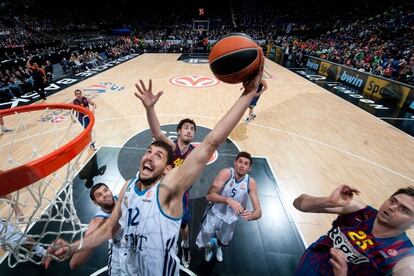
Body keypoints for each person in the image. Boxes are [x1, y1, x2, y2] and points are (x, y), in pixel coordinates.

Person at [44, 55, 264, 275]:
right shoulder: (128, 187)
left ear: (169, 169)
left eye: (158, 155)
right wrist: (73, 247)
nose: (149, 156)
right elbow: (110, 228)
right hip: (127, 271)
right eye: (148, 151)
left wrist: (249, 93)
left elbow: (212, 140)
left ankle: (186, 247)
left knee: (184, 229)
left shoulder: (169, 189)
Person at [137, 84, 197, 268]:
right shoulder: (171, 147)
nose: (188, 130)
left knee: (183, 226)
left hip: (181, 195)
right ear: (178, 131)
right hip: (162, 190)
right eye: (185, 127)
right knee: (160, 222)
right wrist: (150, 108)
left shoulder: (195, 152)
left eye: (191, 129)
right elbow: (156, 132)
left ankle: (185, 245)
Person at [293, 185, 414, 275]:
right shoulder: (359, 210)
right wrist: (328, 201)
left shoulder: (405, 258)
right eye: (393, 201)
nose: (392, 207)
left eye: (404, 209)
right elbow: (298, 203)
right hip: (309, 262)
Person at [195, 151, 262, 262]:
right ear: (235, 163)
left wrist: (254, 215)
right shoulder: (226, 173)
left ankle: (218, 247)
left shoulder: (251, 182)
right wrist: (227, 200)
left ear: (249, 168)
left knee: (224, 239)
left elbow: (259, 211)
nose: (242, 165)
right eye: (240, 161)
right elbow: (209, 196)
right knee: (205, 234)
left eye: (246, 164)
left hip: (231, 218)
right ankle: (208, 246)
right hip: (215, 212)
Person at [70, 183, 121, 274]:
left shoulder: (124, 197)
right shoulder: (97, 223)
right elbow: (74, 263)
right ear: (95, 202)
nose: (105, 195)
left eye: (106, 190)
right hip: (120, 249)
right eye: (99, 195)